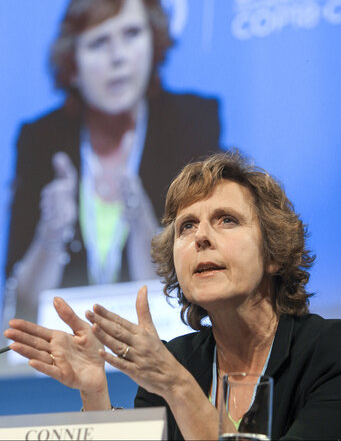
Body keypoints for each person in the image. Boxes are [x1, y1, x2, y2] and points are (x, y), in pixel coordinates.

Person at [5, 150, 341, 440]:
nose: (202, 237)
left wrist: (176, 385)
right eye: (187, 226)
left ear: (275, 255)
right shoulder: (177, 359)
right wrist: (95, 393)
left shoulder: (328, 352)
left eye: (227, 220)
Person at [4, 0, 220, 322]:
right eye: (99, 42)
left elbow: (194, 290)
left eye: (132, 34)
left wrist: (139, 219)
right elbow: (22, 305)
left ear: (154, 45)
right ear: (73, 66)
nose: (118, 56)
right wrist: (50, 235)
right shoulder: (40, 139)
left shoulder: (191, 122)